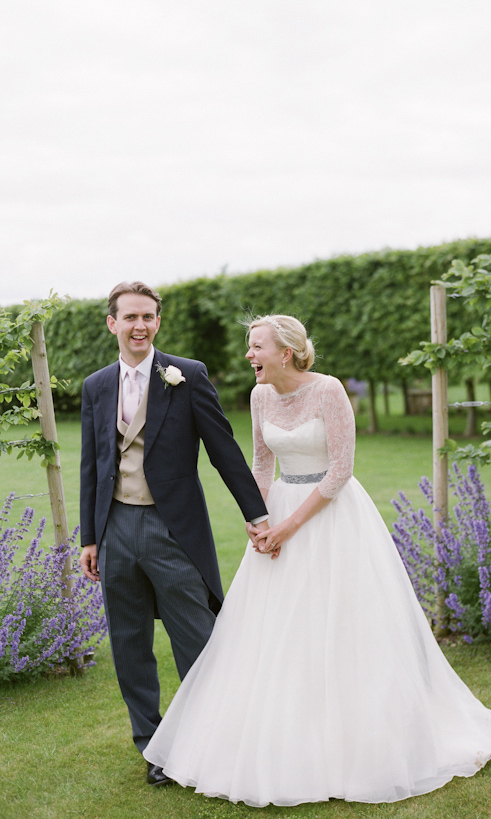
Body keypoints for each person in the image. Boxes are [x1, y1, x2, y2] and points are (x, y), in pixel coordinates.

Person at [143, 314, 491, 806]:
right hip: (281, 511)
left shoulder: (328, 391)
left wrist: (288, 526)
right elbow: (263, 463)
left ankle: (360, 741)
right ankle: (286, 735)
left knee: (344, 626)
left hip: (332, 516)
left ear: (285, 352)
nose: (248, 356)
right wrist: (260, 518)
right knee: (275, 630)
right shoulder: (260, 396)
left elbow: (342, 471)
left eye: (256, 347)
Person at [79, 282, 269, 786]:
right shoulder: (96, 386)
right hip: (115, 526)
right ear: (112, 323)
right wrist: (89, 537)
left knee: (200, 639)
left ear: (157, 322)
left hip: (173, 528)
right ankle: (154, 748)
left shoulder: (187, 375)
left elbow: (223, 449)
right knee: (129, 643)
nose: (139, 326)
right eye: (130, 317)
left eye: (148, 317)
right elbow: (92, 465)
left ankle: (218, 741)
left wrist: (257, 513)